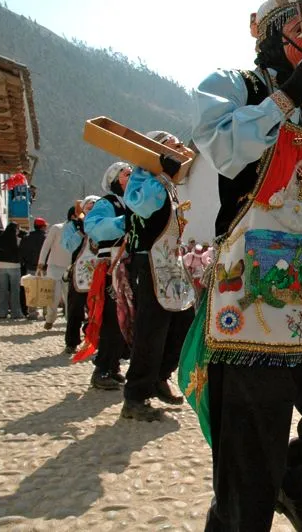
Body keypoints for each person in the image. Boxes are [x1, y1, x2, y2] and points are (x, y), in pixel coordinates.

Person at [184, 3, 302, 529]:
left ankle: (296, 488)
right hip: (251, 290)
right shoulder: (234, 83)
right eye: (299, 31)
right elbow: (220, 144)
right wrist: (286, 97)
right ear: (266, 34)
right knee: (254, 432)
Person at [121, 130, 197, 421]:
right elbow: (143, 205)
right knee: (150, 332)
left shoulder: (172, 183)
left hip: (171, 264)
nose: (180, 148)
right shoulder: (143, 181)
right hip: (149, 263)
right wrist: (162, 172)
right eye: (173, 146)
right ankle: (136, 396)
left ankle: (160, 377)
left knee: (184, 326)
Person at [81, 162, 132, 391]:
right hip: (112, 262)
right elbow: (93, 225)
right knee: (112, 317)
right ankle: (101, 368)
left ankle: (113, 366)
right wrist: (124, 223)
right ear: (114, 178)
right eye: (125, 172)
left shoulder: (133, 203)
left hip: (128, 263)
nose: (130, 174)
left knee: (125, 317)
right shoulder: (107, 203)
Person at [62, 196, 100, 354]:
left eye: (95, 206)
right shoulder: (73, 226)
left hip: (99, 272)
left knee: (99, 309)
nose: (92, 207)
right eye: (89, 206)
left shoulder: (103, 224)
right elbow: (69, 246)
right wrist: (80, 231)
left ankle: (95, 340)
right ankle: (72, 342)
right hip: (80, 273)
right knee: (75, 309)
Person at [37, 215, 72, 330]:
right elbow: (46, 245)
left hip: (69, 268)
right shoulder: (56, 228)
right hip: (54, 267)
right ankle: (50, 319)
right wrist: (41, 262)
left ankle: (70, 322)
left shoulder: (80, 230)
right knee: (54, 296)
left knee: (69, 297)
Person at [19, 217, 48, 319]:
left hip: (30, 267)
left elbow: (22, 253)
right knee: (45, 290)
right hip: (44, 268)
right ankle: (46, 313)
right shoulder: (46, 238)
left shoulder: (26, 238)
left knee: (31, 291)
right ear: (43, 227)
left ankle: (32, 313)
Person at [0, 222, 24, 319]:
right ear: (15, 230)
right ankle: (16, 312)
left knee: (3, 290)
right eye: (18, 229)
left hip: (1, 267)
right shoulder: (18, 241)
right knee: (15, 291)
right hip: (15, 267)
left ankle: (2, 312)